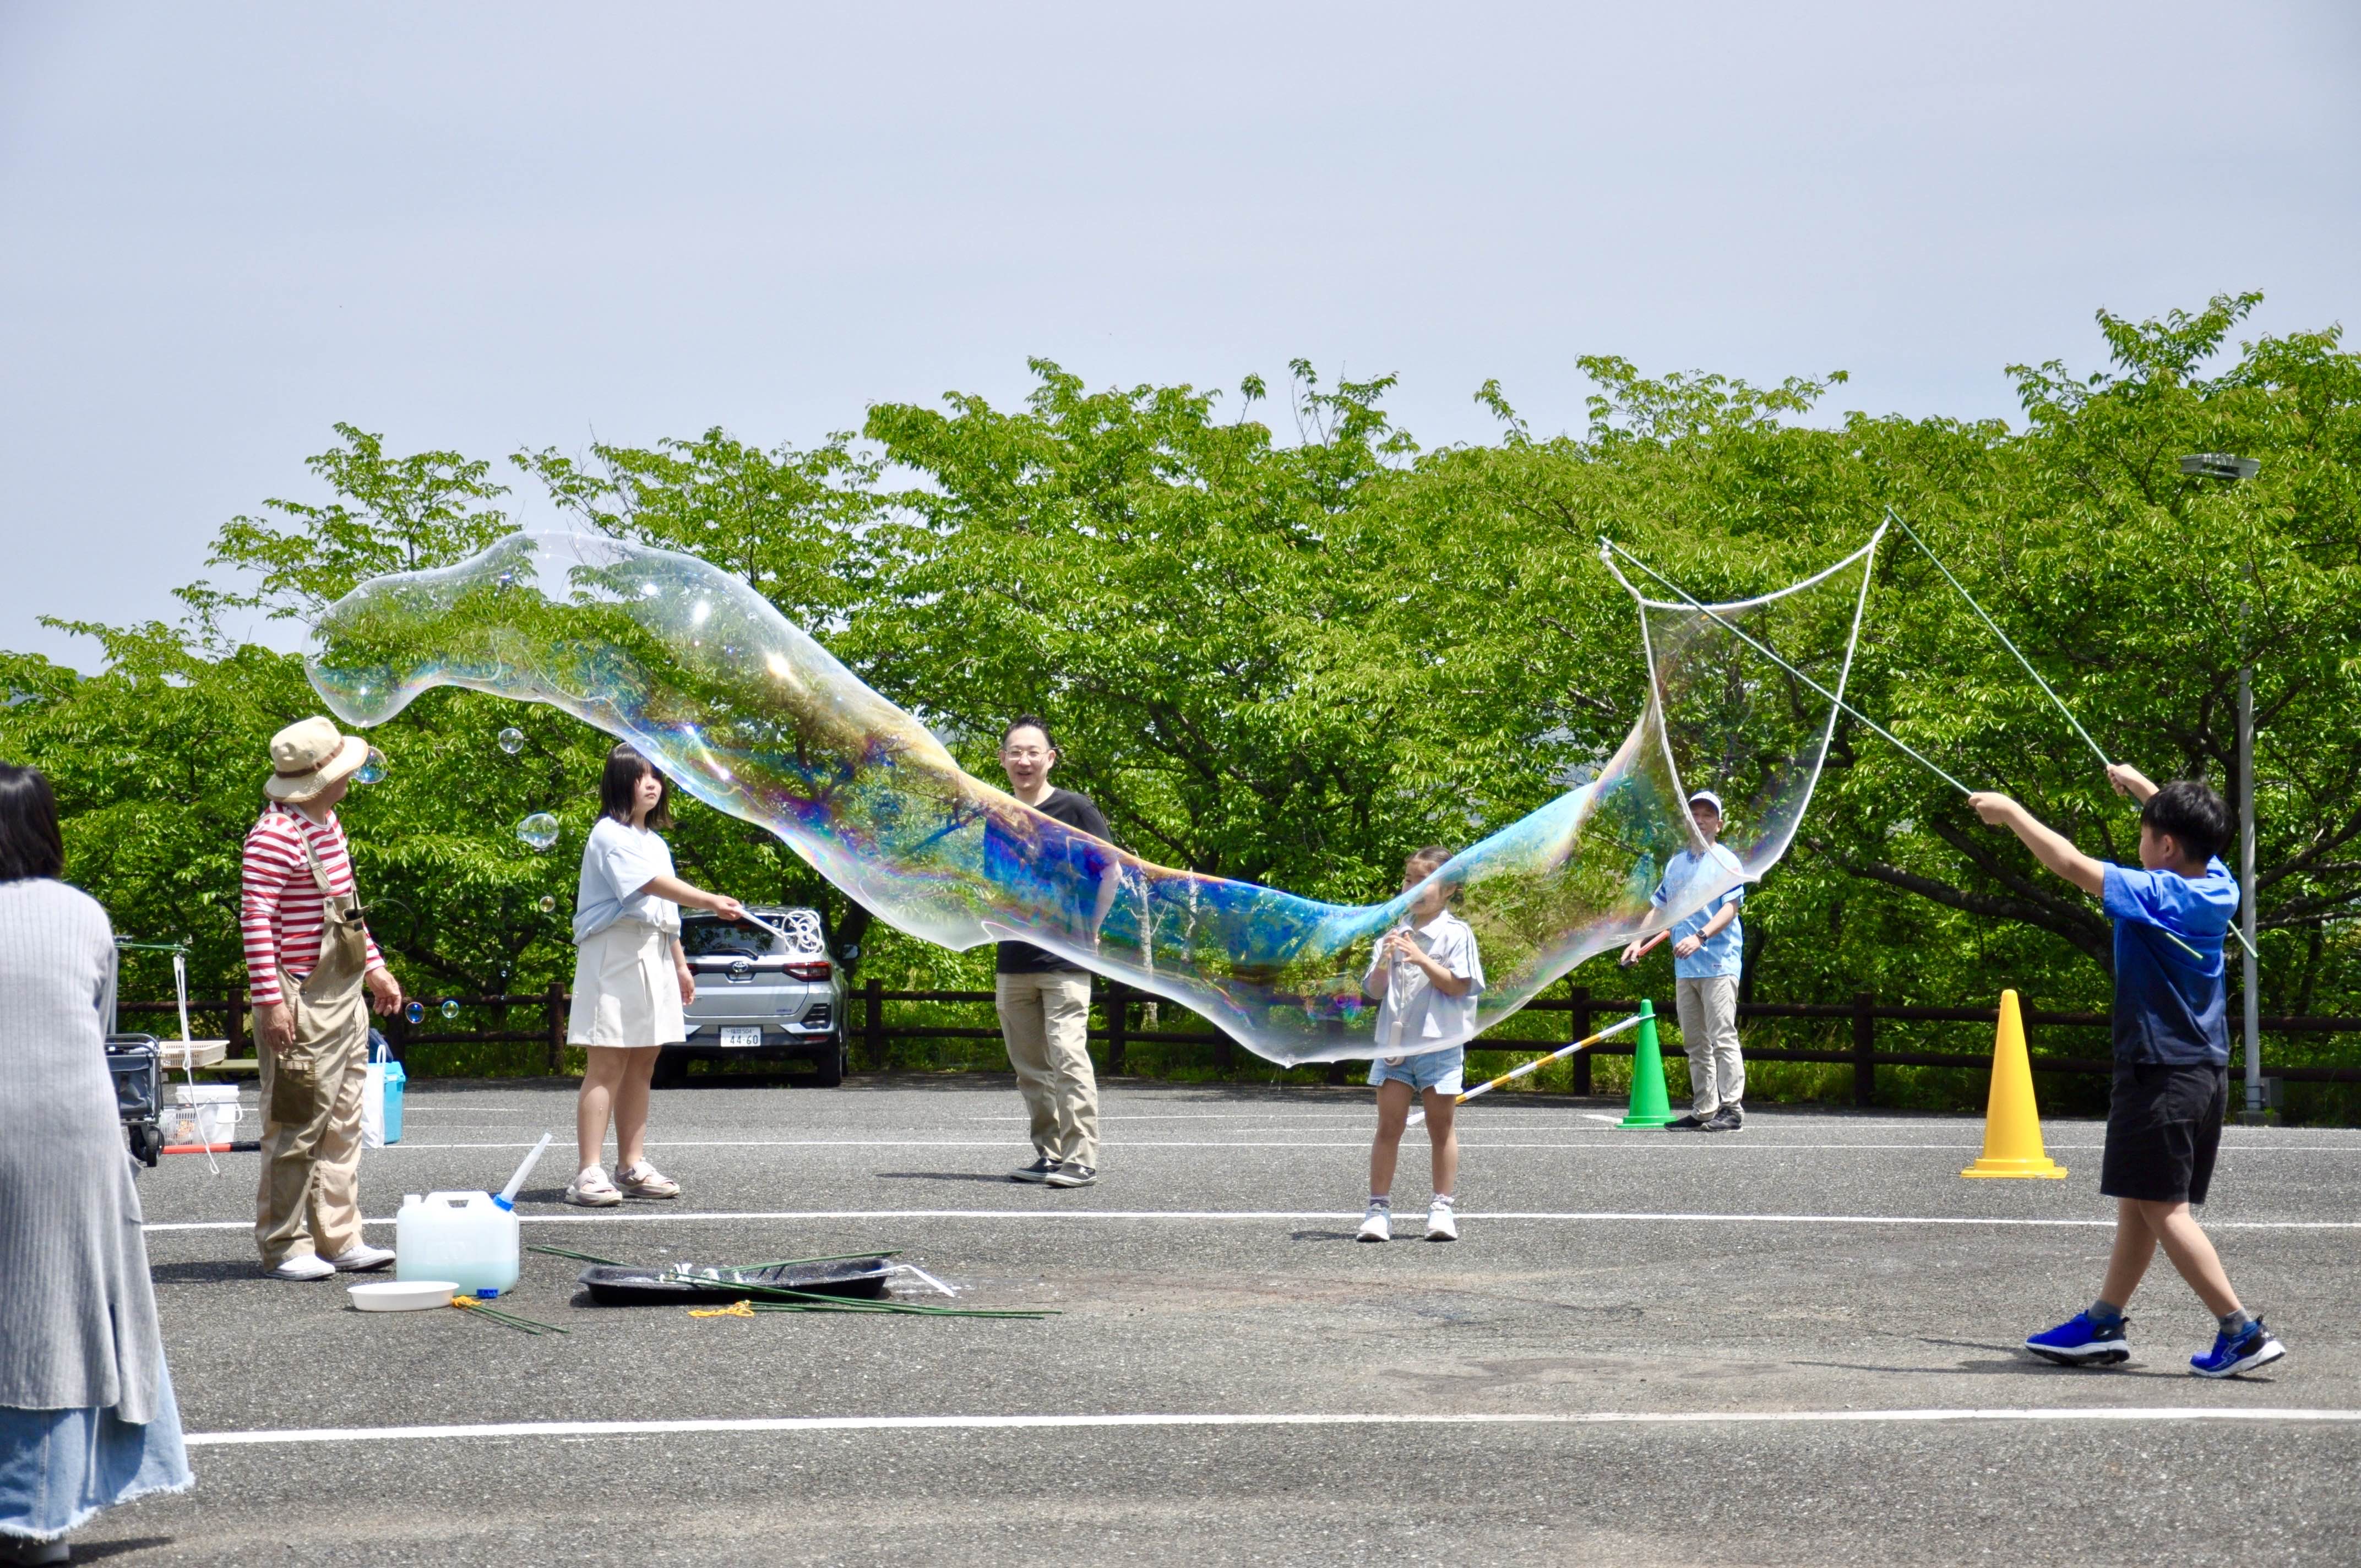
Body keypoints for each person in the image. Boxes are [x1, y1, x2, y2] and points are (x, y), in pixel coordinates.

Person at [1971, 764, 2286, 1378]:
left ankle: (2240, 1330)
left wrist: (2010, 813)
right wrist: (2146, 790)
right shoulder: (2217, 885)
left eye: (2145, 833)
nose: (2139, 845)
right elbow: (2194, 839)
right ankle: (2103, 1321)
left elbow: (2067, 863)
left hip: (2158, 1071)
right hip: (2202, 1073)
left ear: (2165, 846)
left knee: (2164, 1210)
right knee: (2140, 1201)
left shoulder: (2155, 892)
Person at [0, 763, 193, 1562]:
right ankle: (37, 1514)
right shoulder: (84, 914)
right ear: (46, 829)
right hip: (73, 1127)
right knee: (64, 1306)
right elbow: (98, 1026)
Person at [241, 717, 406, 1281]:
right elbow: (255, 920)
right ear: (317, 780)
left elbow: (348, 907)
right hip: (300, 997)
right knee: (295, 1125)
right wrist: (271, 1003)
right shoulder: (273, 835)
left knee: (343, 1121)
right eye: (343, 770)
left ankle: (339, 1236)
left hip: (345, 993)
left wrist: (377, 969)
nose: (352, 776)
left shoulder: (328, 823)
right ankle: (285, 1243)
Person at [564, 743, 744, 1206]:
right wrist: (709, 900)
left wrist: (680, 964)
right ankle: (588, 1172)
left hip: (654, 952)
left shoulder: (656, 843)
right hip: (613, 950)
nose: (651, 784)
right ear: (618, 783)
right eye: (639, 775)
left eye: (656, 776)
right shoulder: (608, 834)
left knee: (643, 1064)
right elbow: (647, 887)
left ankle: (631, 1165)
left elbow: (664, 912)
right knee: (606, 1064)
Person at [989, 716, 1117, 1189]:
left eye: (1032, 752)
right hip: (1013, 961)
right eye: (1015, 752)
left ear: (1050, 758)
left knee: (1068, 1058)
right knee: (1029, 1068)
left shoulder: (1075, 808)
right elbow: (996, 884)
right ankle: (1049, 1153)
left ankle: (1081, 1158)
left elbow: (1111, 872)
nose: (1024, 761)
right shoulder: (998, 812)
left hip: (1066, 961)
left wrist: (1093, 929)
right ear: (1002, 759)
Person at [1358, 846, 1485, 1243]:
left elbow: (1459, 986)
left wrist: (1422, 958)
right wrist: (1384, 961)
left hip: (1440, 1046)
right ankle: (1378, 1209)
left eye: (1424, 882)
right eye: (1409, 880)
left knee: (1440, 1127)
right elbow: (1373, 992)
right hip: (1395, 1047)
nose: (1413, 888)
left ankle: (1442, 1208)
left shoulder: (1456, 933)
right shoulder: (1394, 933)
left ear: (1448, 890)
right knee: (1388, 1126)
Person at [1621, 790, 1748, 1131]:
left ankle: (1732, 1109)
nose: (1701, 820)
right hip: (1685, 967)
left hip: (1719, 963)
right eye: (1695, 814)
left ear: (1719, 824)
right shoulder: (1675, 864)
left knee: (1723, 1035)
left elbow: (1730, 909)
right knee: (1694, 1041)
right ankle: (1705, 1110)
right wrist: (1637, 942)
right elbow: (1659, 909)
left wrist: (1700, 936)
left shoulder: (1727, 861)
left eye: (1708, 815)